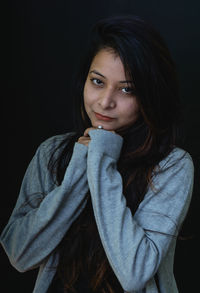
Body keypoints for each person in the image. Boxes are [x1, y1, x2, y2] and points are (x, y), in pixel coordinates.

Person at [0, 15, 194, 293]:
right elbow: (20, 255)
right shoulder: (52, 152)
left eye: (127, 89)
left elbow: (135, 273)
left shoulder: (172, 166)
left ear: (149, 96)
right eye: (98, 82)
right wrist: (80, 167)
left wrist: (101, 159)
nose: (105, 101)